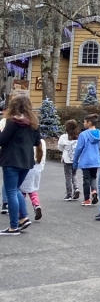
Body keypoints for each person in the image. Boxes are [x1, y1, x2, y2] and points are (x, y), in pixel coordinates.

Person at [0, 96, 41, 233]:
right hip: (27, 161)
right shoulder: (34, 123)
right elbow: (36, 142)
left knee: (11, 191)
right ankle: (23, 218)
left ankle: (13, 226)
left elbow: (2, 140)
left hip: (11, 160)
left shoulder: (12, 122)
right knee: (15, 189)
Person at [73, 115, 100, 206]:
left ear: (89, 123)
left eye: (84, 122)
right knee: (93, 177)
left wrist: (75, 161)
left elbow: (79, 149)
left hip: (86, 160)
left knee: (86, 179)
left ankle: (86, 199)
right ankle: (94, 191)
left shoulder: (83, 134)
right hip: (96, 160)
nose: (83, 124)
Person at [19, 132, 46, 220]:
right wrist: (41, 167)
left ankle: (21, 212)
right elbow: (43, 156)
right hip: (37, 168)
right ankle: (36, 205)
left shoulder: (28, 140)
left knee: (21, 191)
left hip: (27, 167)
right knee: (32, 190)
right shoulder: (42, 142)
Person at [57, 120, 81, 201]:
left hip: (67, 159)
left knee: (68, 177)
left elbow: (60, 147)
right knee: (74, 174)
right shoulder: (78, 137)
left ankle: (69, 194)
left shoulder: (63, 137)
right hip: (76, 159)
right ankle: (76, 188)